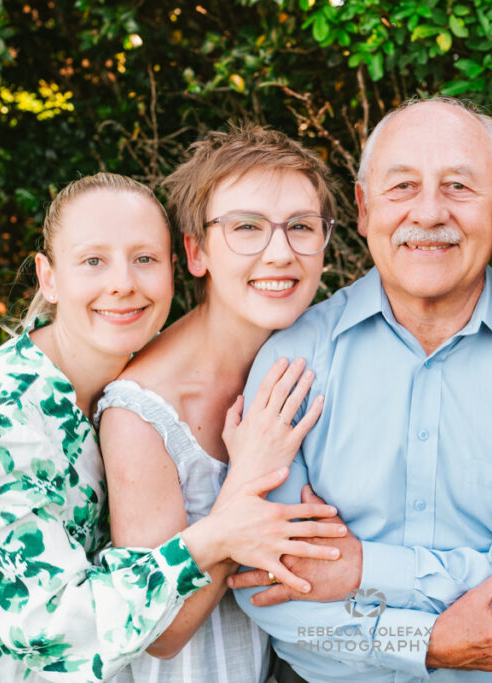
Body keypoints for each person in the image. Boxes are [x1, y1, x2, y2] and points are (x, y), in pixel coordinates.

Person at [0, 172, 344, 682]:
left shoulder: (135, 371)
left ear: (173, 268)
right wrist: (224, 529)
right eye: (93, 261)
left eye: (144, 259)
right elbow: (53, 628)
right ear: (49, 277)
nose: (123, 283)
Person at [230, 97, 492, 683]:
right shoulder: (294, 360)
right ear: (363, 206)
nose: (428, 212)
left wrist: (363, 569)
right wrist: (424, 642)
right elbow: (272, 591)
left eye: (458, 187)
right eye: (402, 186)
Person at [97, 125, 345, 683]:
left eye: (301, 227)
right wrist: (246, 481)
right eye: (247, 228)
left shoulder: (315, 362)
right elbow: (160, 635)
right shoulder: (142, 412)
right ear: (197, 251)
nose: (280, 253)